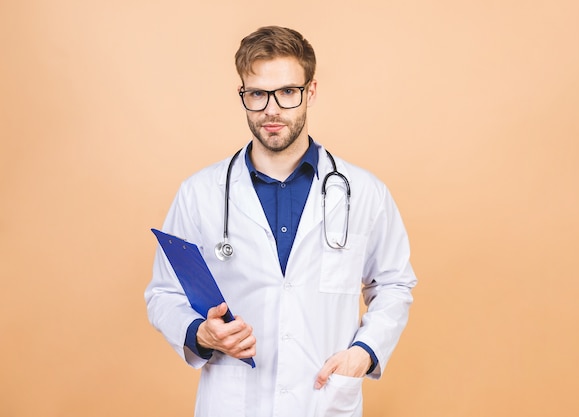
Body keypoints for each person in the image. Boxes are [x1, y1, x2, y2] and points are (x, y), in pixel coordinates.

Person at [145, 25, 417, 417]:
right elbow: (164, 294)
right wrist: (200, 333)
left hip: (321, 399)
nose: (272, 109)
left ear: (311, 91)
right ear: (243, 95)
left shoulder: (364, 192)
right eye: (257, 93)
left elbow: (393, 283)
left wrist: (365, 352)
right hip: (233, 400)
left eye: (288, 92)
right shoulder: (199, 193)